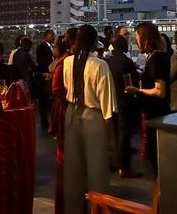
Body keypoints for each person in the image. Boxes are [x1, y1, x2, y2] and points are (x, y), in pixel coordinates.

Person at [62, 25, 118, 214]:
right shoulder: (100, 65)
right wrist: (112, 137)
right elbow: (107, 106)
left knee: (73, 170)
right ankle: (98, 210)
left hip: (72, 113)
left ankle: (73, 209)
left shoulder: (68, 62)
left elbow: (66, 87)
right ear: (95, 42)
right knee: (97, 170)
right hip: (94, 117)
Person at [125, 21, 170, 177]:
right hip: (154, 114)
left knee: (156, 159)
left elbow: (160, 91)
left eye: (137, 37)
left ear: (145, 38)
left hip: (156, 114)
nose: (136, 41)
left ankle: (160, 189)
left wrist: (138, 90)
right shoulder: (156, 56)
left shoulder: (156, 58)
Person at [105, 34, 142, 178]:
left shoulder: (106, 61)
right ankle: (124, 167)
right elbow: (133, 81)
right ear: (121, 45)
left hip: (110, 102)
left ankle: (113, 162)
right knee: (124, 135)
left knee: (113, 134)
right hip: (125, 102)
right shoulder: (127, 61)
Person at [49, 28, 77, 214]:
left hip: (67, 109)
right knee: (64, 158)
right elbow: (56, 88)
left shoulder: (68, 59)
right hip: (64, 110)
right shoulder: (65, 61)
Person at [35, 29, 56, 132]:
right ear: (46, 36)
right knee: (43, 99)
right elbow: (41, 61)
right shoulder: (41, 47)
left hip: (51, 75)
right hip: (44, 75)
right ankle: (44, 121)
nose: (53, 37)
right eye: (51, 35)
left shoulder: (53, 46)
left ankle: (51, 121)